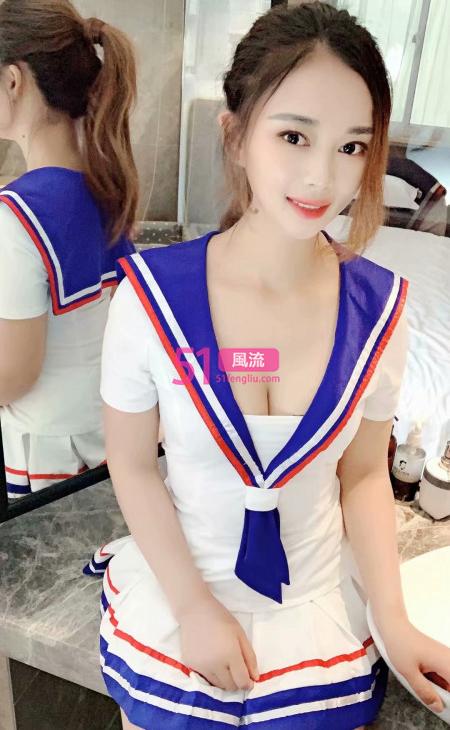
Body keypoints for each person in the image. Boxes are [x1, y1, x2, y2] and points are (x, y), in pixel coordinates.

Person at [86, 3, 450, 728]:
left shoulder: (381, 312)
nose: (322, 177)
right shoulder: (150, 300)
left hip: (315, 605)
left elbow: (364, 474)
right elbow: (130, 463)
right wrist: (193, 605)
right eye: (293, 136)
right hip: (181, 591)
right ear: (236, 135)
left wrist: (392, 617)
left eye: (352, 146)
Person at [0, 0, 138, 498]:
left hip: (45, 461)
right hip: (108, 442)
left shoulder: (15, 216)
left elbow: (13, 375)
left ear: (13, 80)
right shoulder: (108, 190)